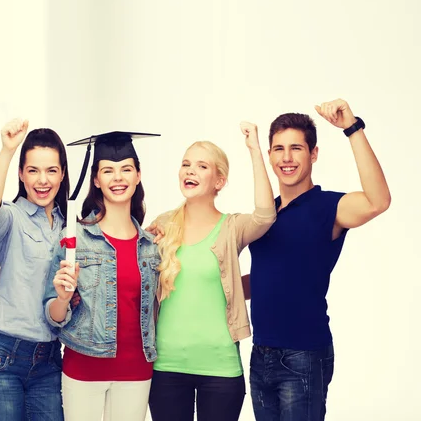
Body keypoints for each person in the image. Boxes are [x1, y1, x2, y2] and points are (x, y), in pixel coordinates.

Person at [247, 98, 391, 421]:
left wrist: (352, 128)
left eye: (296, 148)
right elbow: (267, 278)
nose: (286, 158)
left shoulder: (329, 208)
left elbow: (378, 201)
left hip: (303, 355)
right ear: (269, 155)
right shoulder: (266, 213)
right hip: (261, 354)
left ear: (313, 154)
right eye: (278, 149)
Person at [146, 123, 276, 421]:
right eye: (186, 164)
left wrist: (255, 150)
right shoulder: (162, 225)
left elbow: (266, 215)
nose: (190, 171)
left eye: (202, 166)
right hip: (167, 366)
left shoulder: (231, 228)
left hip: (220, 368)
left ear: (219, 181)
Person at [43, 131, 160, 421]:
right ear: (96, 179)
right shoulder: (74, 239)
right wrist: (62, 298)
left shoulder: (151, 246)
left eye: (126, 170)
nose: (117, 178)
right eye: (108, 170)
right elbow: (53, 315)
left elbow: (155, 310)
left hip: (136, 372)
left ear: (138, 175)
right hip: (84, 370)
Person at [0, 119, 70, 421]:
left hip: (49, 358)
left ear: (62, 173)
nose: (43, 180)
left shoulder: (71, 226)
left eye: (51, 170)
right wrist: (7, 150)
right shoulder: (12, 217)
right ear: (21, 174)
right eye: (33, 170)